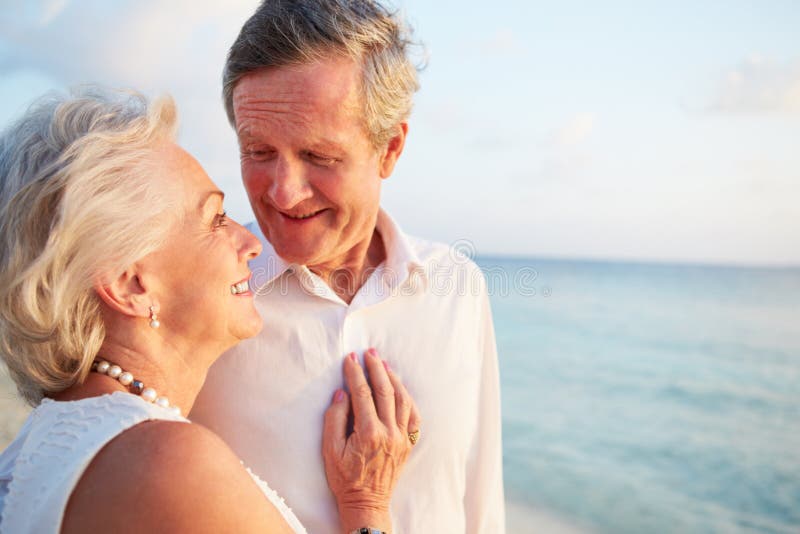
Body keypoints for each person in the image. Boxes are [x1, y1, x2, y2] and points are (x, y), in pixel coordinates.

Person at [0, 87, 420, 534]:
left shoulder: (34, 449)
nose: (252, 243)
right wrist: (366, 507)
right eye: (215, 219)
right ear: (130, 284)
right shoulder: (167, 462)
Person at [190, 1, 506, 532]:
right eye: (258, 150)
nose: (284, 192)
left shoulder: (458, 289)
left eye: (319, 156)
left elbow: (480, 502)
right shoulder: (201, 296)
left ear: (390, 149)